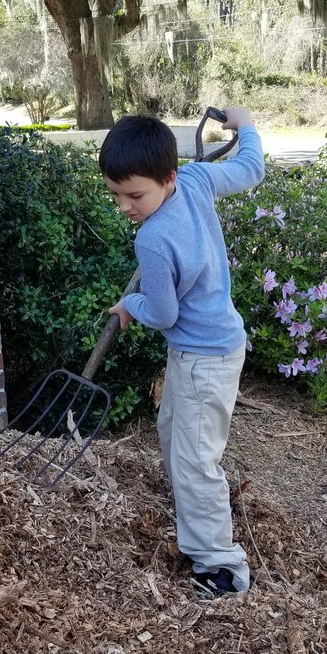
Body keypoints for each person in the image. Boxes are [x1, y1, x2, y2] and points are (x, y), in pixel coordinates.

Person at [98, 108, 265, 597]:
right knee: (177, 440)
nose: (126, 207)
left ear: (166, 177)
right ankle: (199, 518)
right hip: (219, 345)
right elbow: (251, 168)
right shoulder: (194, 180)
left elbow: (164, 314)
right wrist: (247, 125)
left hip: (200, 357)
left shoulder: (152, 239)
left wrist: (131, 302)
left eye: (135, 195)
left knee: (194, 459)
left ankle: (221, 567)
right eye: (117, 195)